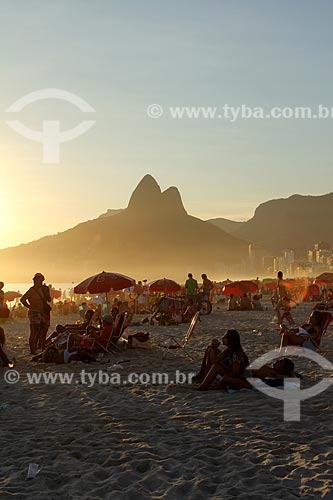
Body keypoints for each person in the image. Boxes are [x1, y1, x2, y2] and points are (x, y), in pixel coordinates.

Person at [20, 273, 52, 354]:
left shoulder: (44, 289)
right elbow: (22, 299)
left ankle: (42, 348)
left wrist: (46, 291)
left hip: (43, 312)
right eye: (37, 280)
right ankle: (33, 350)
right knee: (34, 331)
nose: (39, 282)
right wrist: (30, 307)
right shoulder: (32, 290)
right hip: (34, 312)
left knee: (43, 330)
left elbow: (49, 300)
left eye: (40, 280)